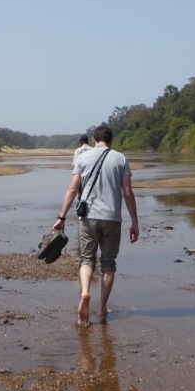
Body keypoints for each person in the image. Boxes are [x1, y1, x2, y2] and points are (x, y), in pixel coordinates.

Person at [53, 123, 139, 326]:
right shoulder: (120, 158)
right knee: (109, 264)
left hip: (88, 217)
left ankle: (84, 293)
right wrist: (135, 222)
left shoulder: (82, 157)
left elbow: (73, 189)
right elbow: (127, 192)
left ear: (93, 140)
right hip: (112, 218)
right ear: (111, 140)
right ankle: (101, 310)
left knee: (86, 259)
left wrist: (62, 217)